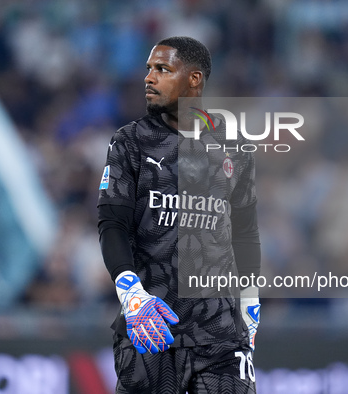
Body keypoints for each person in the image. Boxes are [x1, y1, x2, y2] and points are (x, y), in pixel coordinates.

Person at [98, 36, 261, 394]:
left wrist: (250, 299)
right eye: (148, 69)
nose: (149, 78)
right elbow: (112, 225)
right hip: (150, 326)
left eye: (162, 69)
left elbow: (245, 231)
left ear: (194, 79)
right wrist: (130, 293)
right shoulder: (129, 143)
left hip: (218, 331)